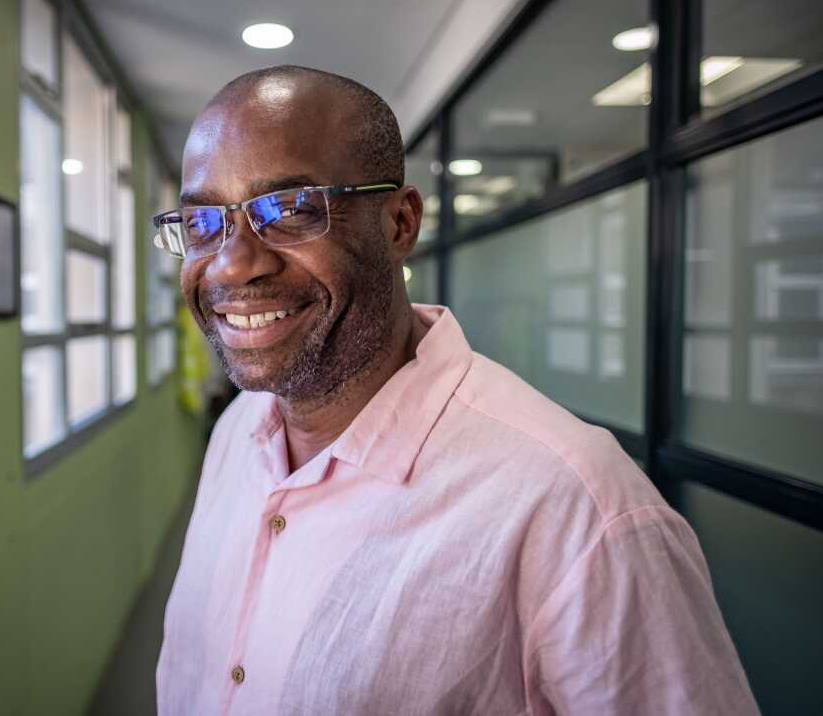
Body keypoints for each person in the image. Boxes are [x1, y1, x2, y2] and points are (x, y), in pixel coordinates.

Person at [153, 65, 758, 715]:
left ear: (399, 223)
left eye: (293, 210)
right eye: (204, 223)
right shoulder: (237, 431)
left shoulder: (578, 509)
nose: (234, 262)